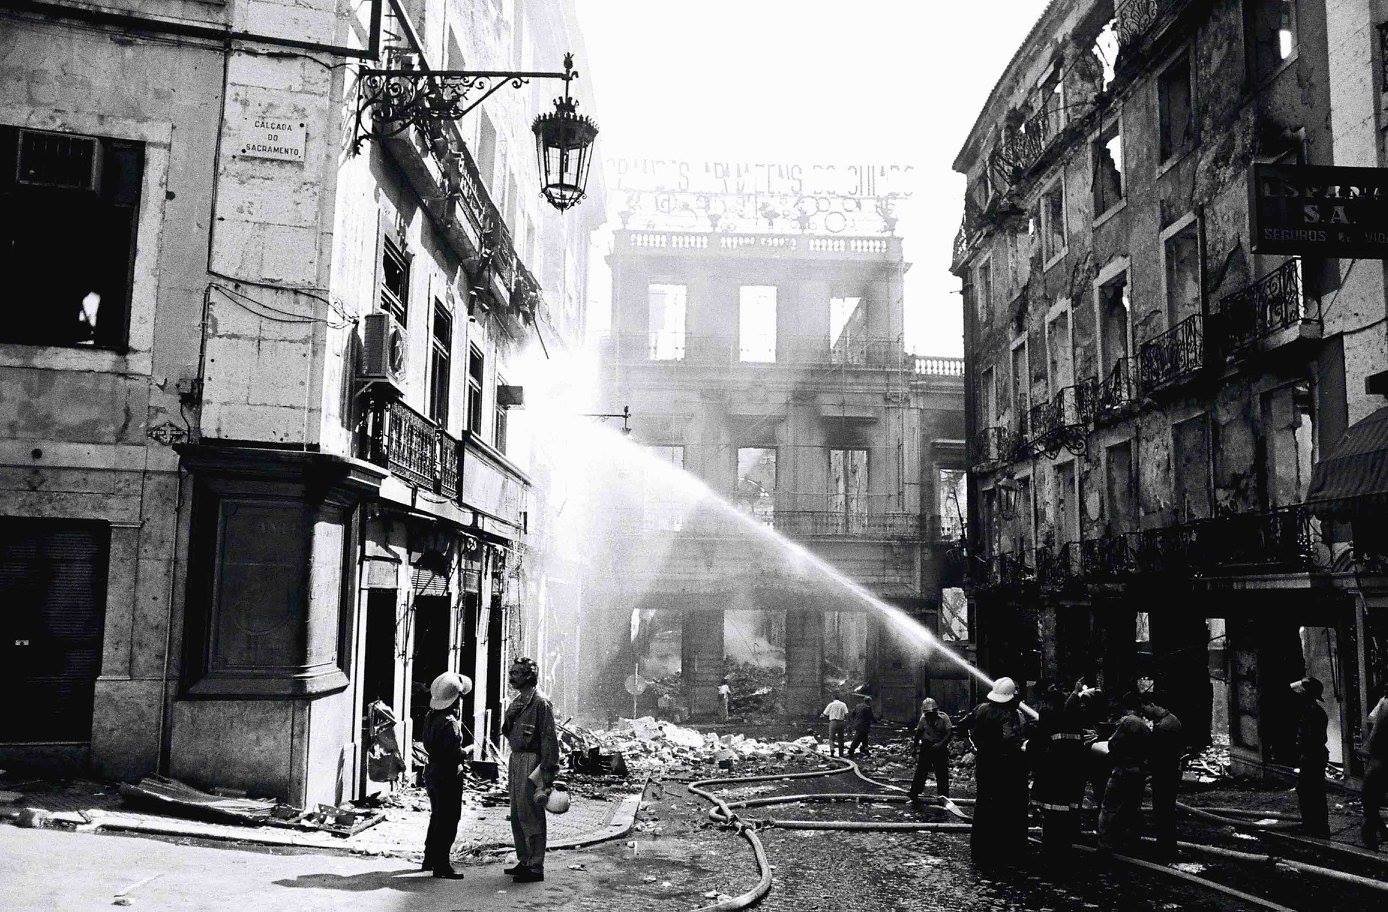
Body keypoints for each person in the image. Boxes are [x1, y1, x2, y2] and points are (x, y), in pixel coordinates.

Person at [501, 657, 559, 883]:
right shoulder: (519, 701)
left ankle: (536, 865)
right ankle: (524, 859)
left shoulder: (541, 703)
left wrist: (547, 774)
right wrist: (510, 714)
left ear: (528, 676)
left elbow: (549, 740)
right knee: (517, 812)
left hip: (532, 761)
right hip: (516, 759)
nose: (511, 676)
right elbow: (507, 732)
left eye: (516, 673)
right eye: (512, 672)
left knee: (531, 813)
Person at [968, 677, 1029, 863]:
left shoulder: (981, 709)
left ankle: (980, 847)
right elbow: (1010, 739)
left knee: (984, 804)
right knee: (1009, 807)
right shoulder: (1009, 714)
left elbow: (968, 729)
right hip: (1006, 767)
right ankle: (1006, 850)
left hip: (985, 765)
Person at [421, 672, 472, 879]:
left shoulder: (430, 716)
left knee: (437, 816)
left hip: (432, 771)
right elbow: (453, 753)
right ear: (455, 699)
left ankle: (429, 858)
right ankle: (442, 865)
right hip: (449, 774)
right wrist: (466, 752)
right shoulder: (450, 722)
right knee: (450, 818)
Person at [1028, 686, 1088, 856]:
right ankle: (1066, 844)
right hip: (1073, 774)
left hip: (1053, 774)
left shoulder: (1048, 718)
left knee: (1052, 811)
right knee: (1069, 809)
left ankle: (1051, 848)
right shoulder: (1074, 719)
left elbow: (1038, 745)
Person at [1097, 691, 1151, 853]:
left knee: (1109, 808)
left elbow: (1113, 744)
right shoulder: (1144, 726)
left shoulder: (1126, 722)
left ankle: (1105, 845)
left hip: (1122, 771)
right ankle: (1131, 843)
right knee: (1132, 808)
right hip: (1138, 773)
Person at [1140, 693, 1184, 857]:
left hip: (1164, 774)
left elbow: (1155, 754)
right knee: (1167, 811)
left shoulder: (1162, 726)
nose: (1145, 713)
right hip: (1170, 772)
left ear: (1152, 704)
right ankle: (1168, 846)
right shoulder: (1173, 720)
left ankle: (1165, 848)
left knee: (1162, 811)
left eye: (1145, 709)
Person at [1289, 677, 1330, 837]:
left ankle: (1314, 827)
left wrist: (1301, 748)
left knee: (1310, 791)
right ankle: (1315, 825)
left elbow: (1313, 738)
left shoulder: (1312, 712)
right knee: (1311, 791)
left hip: (1313, 756)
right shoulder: (1312, 710)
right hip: (1313, 755)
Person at [908, 697, 953, 802]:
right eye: (927, 714)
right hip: (927, 745)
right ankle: (914, 792)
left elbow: (949, 733)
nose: (929, 716)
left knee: (941, 771)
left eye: (930, 714)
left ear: (935, 711)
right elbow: (918, 733)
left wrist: (941, 744)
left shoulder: (944, 717)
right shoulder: (923, 718)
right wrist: (914, 747)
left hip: (940, 746)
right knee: (921, 770)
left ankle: (943, 795)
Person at [1361, 691, 1388, 849]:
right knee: (1371, 800)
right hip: (1380, 756)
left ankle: (1371, 842)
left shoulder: (1384, 701)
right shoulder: (1384, 701)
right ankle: (1381, 832)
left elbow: (1371, 719)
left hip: (1380, 757)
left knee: (1369, 800)